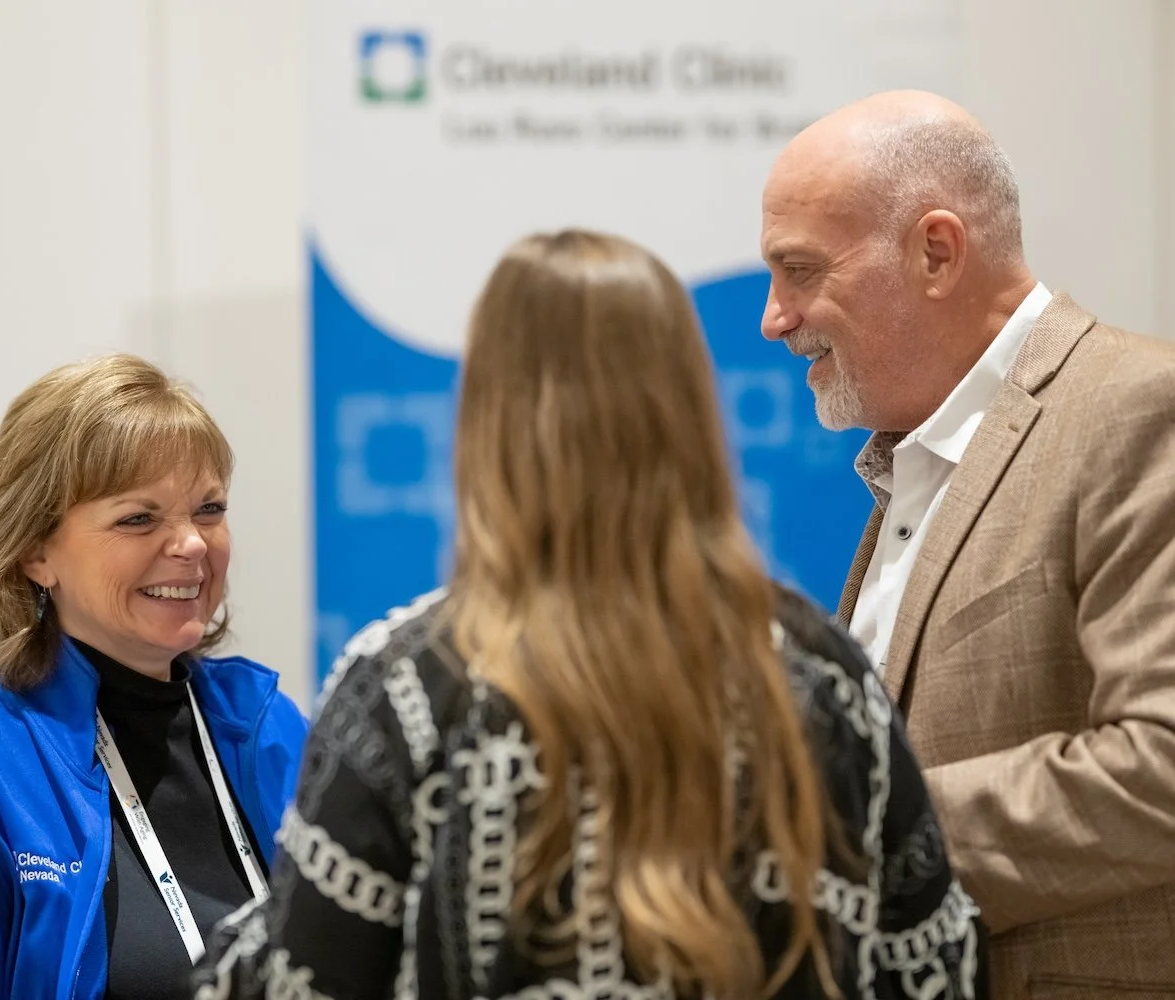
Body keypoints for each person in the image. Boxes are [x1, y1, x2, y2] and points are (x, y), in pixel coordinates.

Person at [192, 231, 984, 1000]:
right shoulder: (823, 678)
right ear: (687, 410)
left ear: (485, 424)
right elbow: (933, 965)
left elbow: (303, 980)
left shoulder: (406, 689)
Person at [760, 89, 1175, 998]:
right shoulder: (914, 464)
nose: (774, 317)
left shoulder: (1140, 411)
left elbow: (1164, 766)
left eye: (799, 271)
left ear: (937, 253)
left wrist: (844, 833)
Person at [0, 354, 309, 1000]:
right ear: (35, 550)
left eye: (209, 509)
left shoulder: (271, 729)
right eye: (140, 517)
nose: (192, 543)